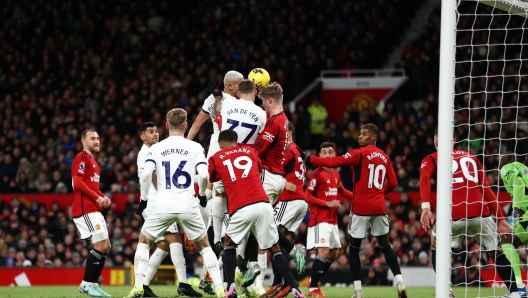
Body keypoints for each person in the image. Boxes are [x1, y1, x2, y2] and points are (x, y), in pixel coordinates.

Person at [124, 108, 225, 298]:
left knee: (144, 243)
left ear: (166, 125)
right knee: (205, 247)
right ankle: (220, 290)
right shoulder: (195, 147)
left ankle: (139, 286)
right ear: (186, 125)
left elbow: (146, 175)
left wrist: (144, 200)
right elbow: (203, 174)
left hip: (162, 204)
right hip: (188, 204)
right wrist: (202, 194)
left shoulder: (156, 148)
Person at [306, 124, 406, 298]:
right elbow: (394, 183)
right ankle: (400, 282)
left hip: (360, 209)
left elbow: (333, 162)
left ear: (373, 137)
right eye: (360, 134)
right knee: (386, 245)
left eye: (364, 134)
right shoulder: (384, 157)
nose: (360, 137)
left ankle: (358, 291)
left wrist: (310, 158)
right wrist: (379, 193)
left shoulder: (358, 154)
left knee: (353, 249)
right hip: (379, 207)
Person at [420, 129, 519, 298]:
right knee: (496, 252)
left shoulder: (431, 158)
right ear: (455, 140)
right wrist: (501, 219)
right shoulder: (471, 158)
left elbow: (424, 178)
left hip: (454, 212)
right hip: (481, 211)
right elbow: (487, 190)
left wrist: (426, 208)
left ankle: (447, 291)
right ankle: (515, 293)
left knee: (437, 244)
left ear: (435, 141)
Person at [208, 129, 305, 298]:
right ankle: (295, 288)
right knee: (274, 249)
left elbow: (213, 178)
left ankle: (230, 288)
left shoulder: (216, 157)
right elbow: (259, 170)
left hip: (240, 207)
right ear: (236, 142)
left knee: (229, 244)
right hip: (263, 204)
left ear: (220, 144)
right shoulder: (251, 151)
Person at [250, 82, 305, 294]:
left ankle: (291, 253)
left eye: (263, 101)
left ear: (270, 100)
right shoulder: (284, 121)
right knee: (267, 233)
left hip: (269, 178)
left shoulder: (275, 122)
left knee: (264, 232)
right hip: (276, 178)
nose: (261, 104)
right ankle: (288, 284)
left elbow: (259, 149)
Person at [135, 122, 201, 297]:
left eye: (156, 131)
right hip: (155, 204)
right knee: (175, 241)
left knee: (163, 245)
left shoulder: (156, 151)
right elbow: (155, 179)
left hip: (158, 203)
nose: (155, 134)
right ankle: (183, 284)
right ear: (143, 137)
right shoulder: (146, 154)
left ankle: (144, 285)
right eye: (150, 132)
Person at [304, 142, 353, 297]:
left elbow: (343, 191)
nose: (327, 155)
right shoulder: (317, 174)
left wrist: (360, 198)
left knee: (333, 254)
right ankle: (313, 289)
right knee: (324, 251)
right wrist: (327, 203)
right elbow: (307, 195)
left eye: (330, 152)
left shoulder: (336, 174)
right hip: (320, 219)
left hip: (332, 220)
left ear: (334, 155)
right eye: (324, 152)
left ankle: (312, 280)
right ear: (319, 156)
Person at [266, 122, 309, 296]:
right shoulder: (298, 150)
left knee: (271, 233)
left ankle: (294, 250)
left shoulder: (288, 150)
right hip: (300, 201)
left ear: (288, 133)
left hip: (289, 199)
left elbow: (275, 170)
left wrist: (282, 182)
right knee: (274, 242)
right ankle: (279, 282)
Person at [71, 129, 112, 297]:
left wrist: (102, 196)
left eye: (98, 138)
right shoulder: (82, 157)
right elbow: (78, 182)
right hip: (84, 209)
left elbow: (92, 186)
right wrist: (97, 197)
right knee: (101, 245)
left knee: (106, 246)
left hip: (93, 208)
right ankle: (86, 284)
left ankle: (93, 285)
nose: (97, 141)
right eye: (93, 139)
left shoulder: (94, 163)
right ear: (84, 142)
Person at [499, 140, 528, 297]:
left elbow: (518, 184)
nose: (501, 157)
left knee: (506, 242)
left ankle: (519, 289)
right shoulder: (526, 170)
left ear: (510, 156)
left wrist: (514, 214)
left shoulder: (507, 168)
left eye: (503, 153)